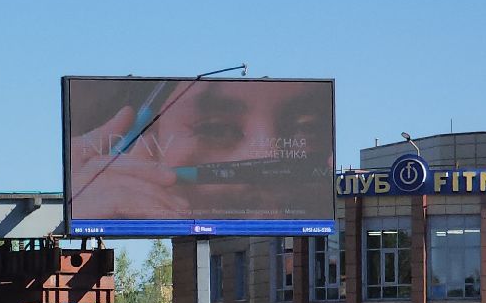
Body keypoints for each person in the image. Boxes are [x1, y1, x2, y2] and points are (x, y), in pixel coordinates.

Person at [68, 78, 334, 221]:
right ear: (141, 142)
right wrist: (76, 212)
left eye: (307, 128)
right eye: (215, 128)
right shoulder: (91, 195)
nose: (267, 157)